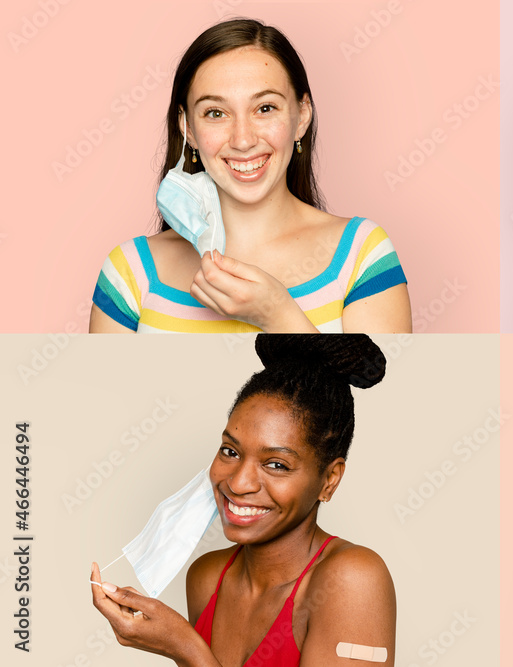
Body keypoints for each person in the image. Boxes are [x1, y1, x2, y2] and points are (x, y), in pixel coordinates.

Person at [91, 334, 396, 666]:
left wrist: (186, 648)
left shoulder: (353, 579)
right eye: (230, 451)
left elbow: (195, 656)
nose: (237, 482)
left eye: (276, 464)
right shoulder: (206, 578)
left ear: (329, 480)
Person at [90, 19, 411, 333]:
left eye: (265, 108)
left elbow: (378, 389)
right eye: (215, 113)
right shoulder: (129, 271)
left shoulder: (362, 254)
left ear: (302, 117)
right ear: (187, 128)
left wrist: (278, 316)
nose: (243, 140)